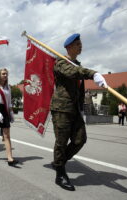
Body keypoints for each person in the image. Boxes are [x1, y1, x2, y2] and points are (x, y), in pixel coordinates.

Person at [50, 33, 107, 191]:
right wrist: (92, 73)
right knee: (61, 142)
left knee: (80, 139)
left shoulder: (77, 63)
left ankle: (58, 162)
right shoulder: (61, 62)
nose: (80, 46)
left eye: (80, 43)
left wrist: (81, 107)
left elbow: (79, 87)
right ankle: (60, 174)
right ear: (69, 47)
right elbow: (73, 73)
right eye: (77, 44)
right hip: (61, 108)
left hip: (74, 109)